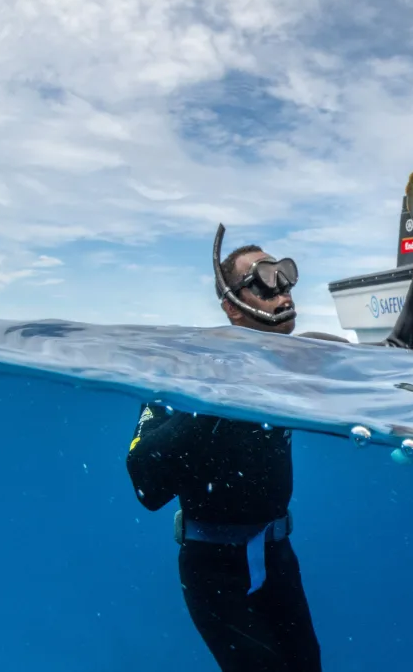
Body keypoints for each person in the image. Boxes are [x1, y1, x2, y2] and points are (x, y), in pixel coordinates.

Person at [126, 226, 321, 671]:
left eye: (285, 276)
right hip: (212, 567)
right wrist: (223, 392)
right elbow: (145, 485)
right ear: (232, 307)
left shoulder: (301, 365)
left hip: (278, 555)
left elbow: (397, 357)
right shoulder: (186, 371)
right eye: (264, 280)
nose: (282, 290)